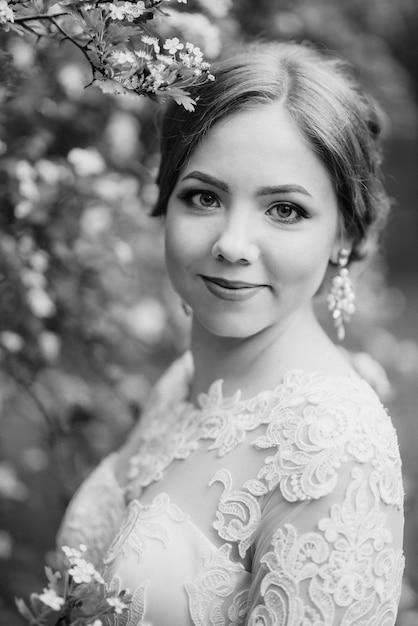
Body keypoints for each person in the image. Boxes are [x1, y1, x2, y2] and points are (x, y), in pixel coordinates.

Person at [57, 41, 405, 625]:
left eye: (284, 210)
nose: (233, 245)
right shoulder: (181, 385)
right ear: (167, 200)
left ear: (343, 233)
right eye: (205, 197)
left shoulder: (330, 448)